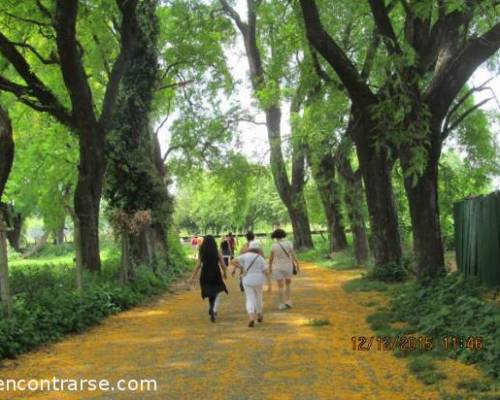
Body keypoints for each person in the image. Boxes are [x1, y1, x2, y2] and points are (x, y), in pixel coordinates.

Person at [231, 241, 269, 327]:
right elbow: (265, 271)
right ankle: (259, 314)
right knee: (259, 297)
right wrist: (269, 283)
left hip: (247, 279)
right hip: (259, 279)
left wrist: (241, 267)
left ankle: (251, 317)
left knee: (250, 298)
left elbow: (232, 261)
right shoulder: (261, 258)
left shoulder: (245, 256)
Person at [190, 235, 228, 322]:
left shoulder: (202, 251)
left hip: (205, 273)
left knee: (210, 291)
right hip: (215, 273)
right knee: (216, 290)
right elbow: (223, 264)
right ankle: (213, 308)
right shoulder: (217, 251)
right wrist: (225, 273)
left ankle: (211, 307)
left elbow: (198, 265)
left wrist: (193, 276)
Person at [269, 228, 300, 310]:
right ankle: (288, 301)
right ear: (283, 234)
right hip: (288, 266)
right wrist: (297, 264)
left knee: (280, 286)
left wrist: (270, 268)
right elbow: (293, 255)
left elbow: (271, 258)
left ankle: (281, 304)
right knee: (288, 284)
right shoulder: (289, 243)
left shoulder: (274, 246)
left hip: (277, 267)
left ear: (275, 236)